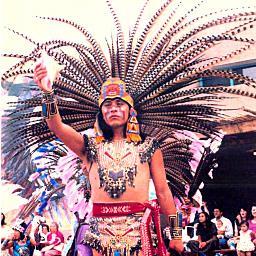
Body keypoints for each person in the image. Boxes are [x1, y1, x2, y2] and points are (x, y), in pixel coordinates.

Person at [34, 64, 184, 256]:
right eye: (107, 105)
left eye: (119, 104)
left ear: (130, 110)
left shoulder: (150, 146)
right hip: (100, 235)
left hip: (140, 234)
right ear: (101, 112)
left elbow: (164, 193)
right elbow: (55, 126)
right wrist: (47, 93)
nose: (113, 109)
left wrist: (177, 235)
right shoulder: (88, 147)